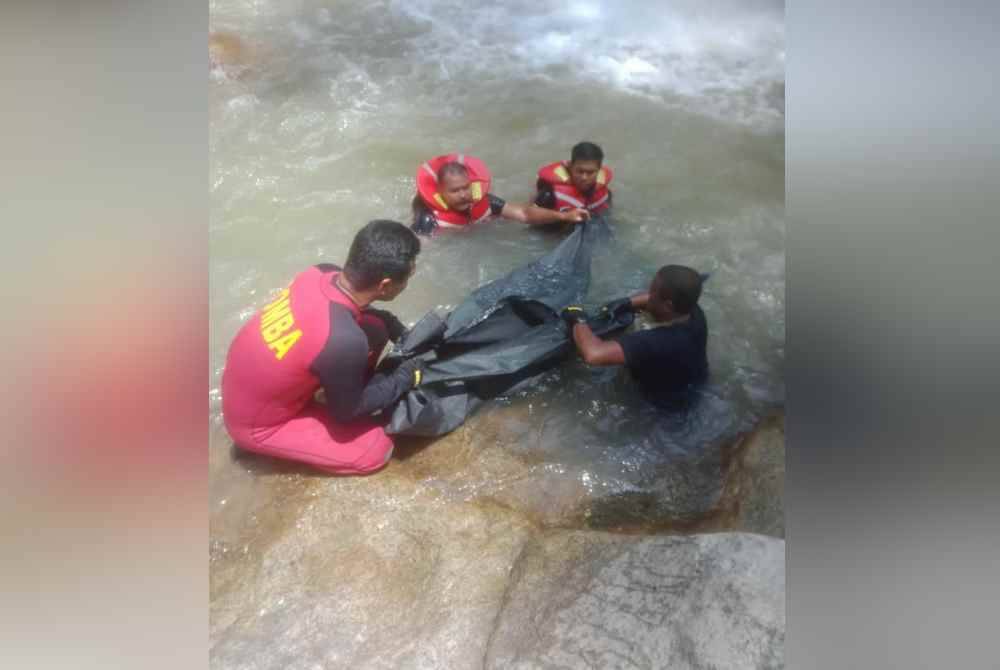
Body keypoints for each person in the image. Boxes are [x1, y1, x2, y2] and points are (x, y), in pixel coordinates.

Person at [221, 220, 423, 475]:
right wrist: (404, 378)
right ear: (384, 285)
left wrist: (397, 328)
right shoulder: (344, 340)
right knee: (375, 449)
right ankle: (287, 429)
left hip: (247, 385)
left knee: (376, 326)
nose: (406, 286)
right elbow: (346, 413)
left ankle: (335, 391)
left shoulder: (321, 272)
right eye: (406, 279)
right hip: (256, 425)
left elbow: (367, 316)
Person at [561, 265, 708, 407]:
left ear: (668, 306)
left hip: (661, 407)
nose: (648, 296)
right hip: (692, 382)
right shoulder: (692, 312)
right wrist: (626, 303)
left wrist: (578, 319)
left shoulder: (659, 341)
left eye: (652, 294)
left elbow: (593, 354)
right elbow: (657, 300)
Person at [411, 153, 590, 234]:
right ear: (440, 192)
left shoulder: (486, 202)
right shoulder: (429, 220)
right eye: (455, 190)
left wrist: (564, 216)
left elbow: (524, 213)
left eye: (466, 187)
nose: (464, 194)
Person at [535, 141, 613, 215]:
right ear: (570, 167)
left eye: (590, 172)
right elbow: (526, 214)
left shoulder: (605, 193)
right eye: (580, 171)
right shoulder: (550, 194)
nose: (584, 177)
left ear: (599, 171)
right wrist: (565, 216)